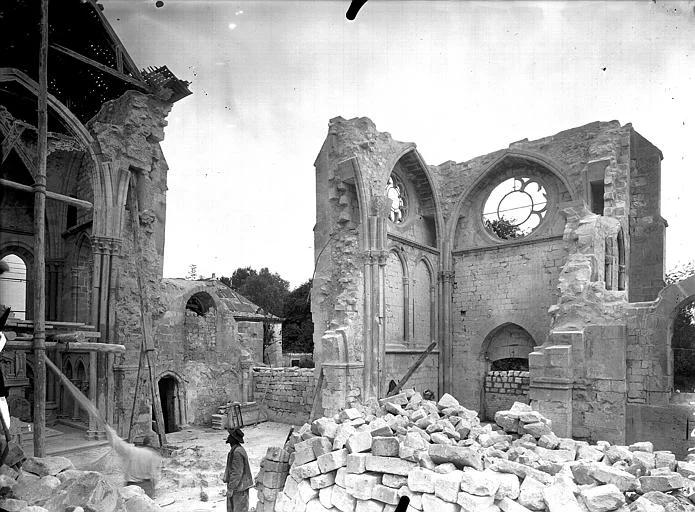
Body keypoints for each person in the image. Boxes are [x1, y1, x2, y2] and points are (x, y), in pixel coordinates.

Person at [105, 425, 162, 498]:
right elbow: (155, 478)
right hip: (147, 487)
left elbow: (117, 443)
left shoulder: (132, 451)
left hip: (131, 487)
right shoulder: (155, 456)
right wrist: (152, 489)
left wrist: (110, 431)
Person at [222, 427, 253, 512]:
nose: (228, 437)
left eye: (230, 436)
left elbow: (237, 473)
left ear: (233, 439)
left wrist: (231, 488)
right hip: (238, 487)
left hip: (239, 489)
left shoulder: (237, 452)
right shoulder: (235, 450)